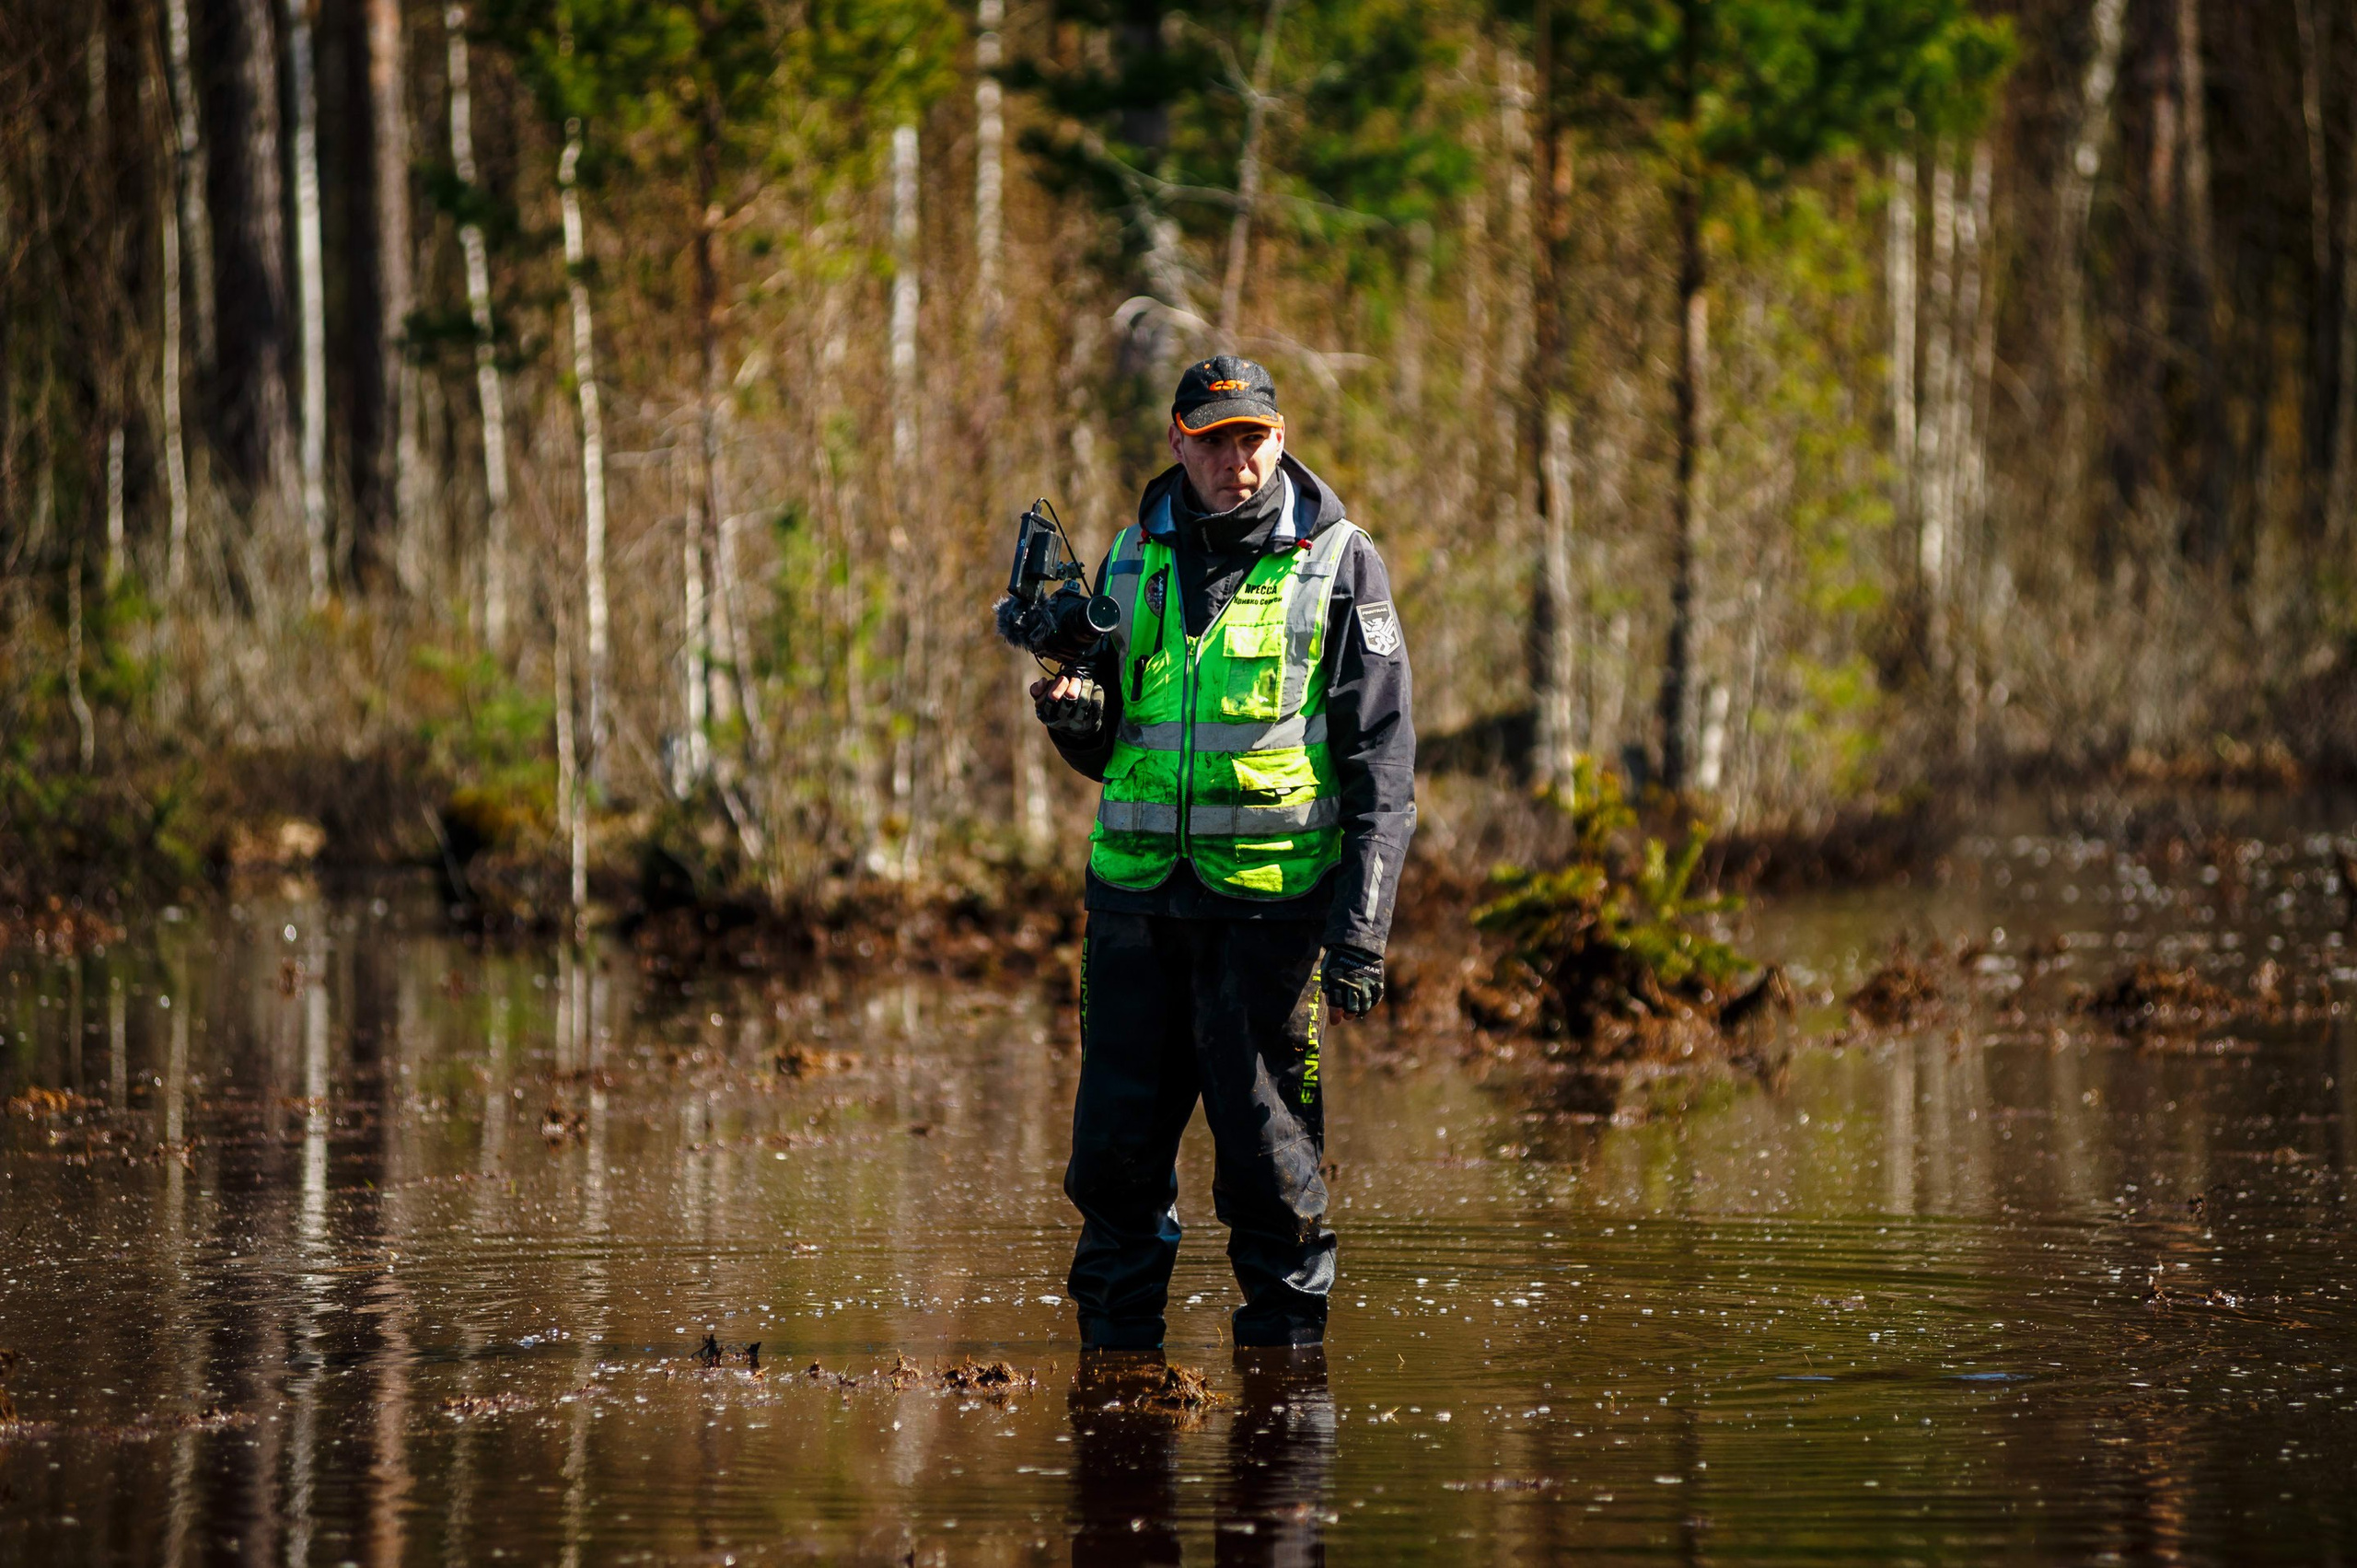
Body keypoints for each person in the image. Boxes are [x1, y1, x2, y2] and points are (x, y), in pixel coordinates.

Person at [1030, 354, 1416, 1352]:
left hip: (1269, 919)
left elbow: (1382, 762)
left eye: (1252, 437)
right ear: (1177, 442)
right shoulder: (1128, 558)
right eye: (1213, 439)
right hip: (1133, 913)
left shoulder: (1339, 562)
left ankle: (1283, 1411)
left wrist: (1361, 934)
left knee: (1270, 1172)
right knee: (1114, 1168)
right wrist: (1072, 717)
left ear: (1280, 438)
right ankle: (1113, 1396)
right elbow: (1114, 744)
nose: (1234, 459)